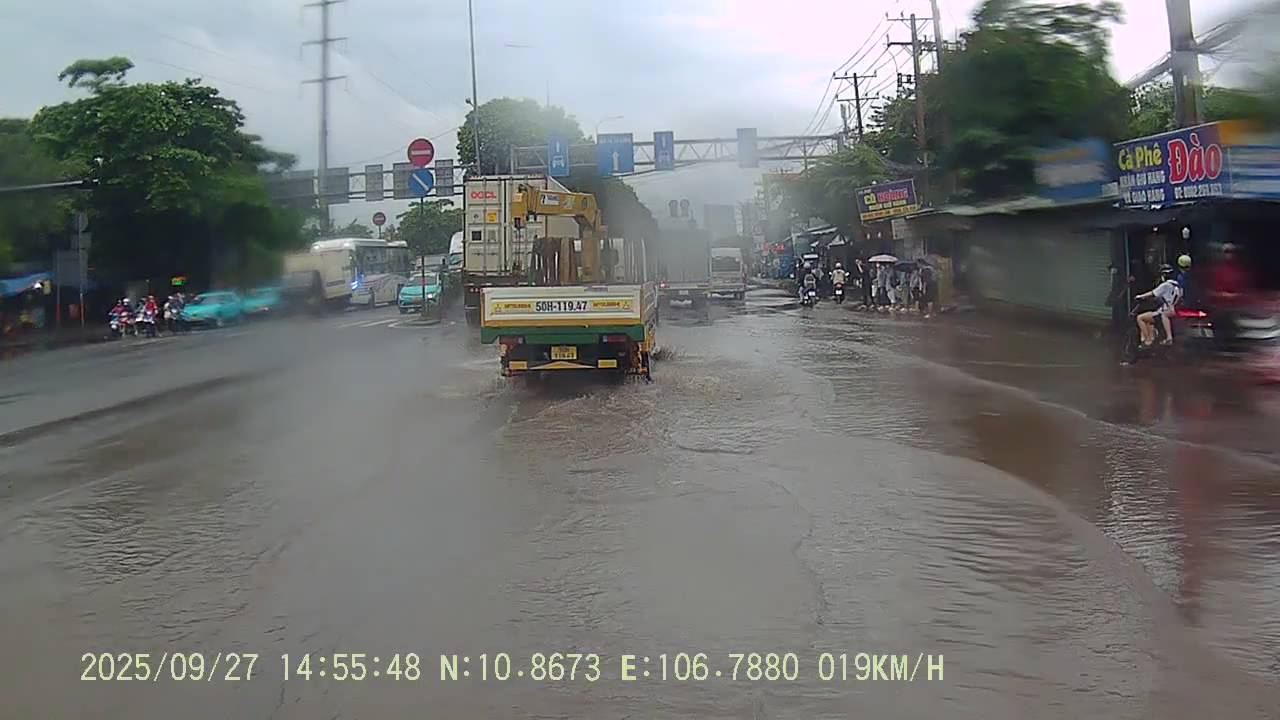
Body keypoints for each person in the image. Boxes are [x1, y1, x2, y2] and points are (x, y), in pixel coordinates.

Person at [1135, 265, 1181, 347]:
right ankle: (1152, 337)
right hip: (1172, 310)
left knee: (1140, 318)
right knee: (1149, 318)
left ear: (1164, 275)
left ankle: (1147, 341)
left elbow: (1153, 293)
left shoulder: (1165, 285)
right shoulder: (1177, 285)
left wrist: (1140, 296)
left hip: (1163, 311)